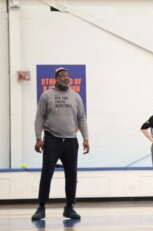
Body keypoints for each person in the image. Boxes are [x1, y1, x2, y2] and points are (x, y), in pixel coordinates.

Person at [31, 67, 90, 221]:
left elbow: (82, 119)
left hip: (71, 141)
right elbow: (39, 118)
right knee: (47, 174)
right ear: (55, 79)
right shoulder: (46, 96)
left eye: (67, 76)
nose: (66, 78)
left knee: (72, 175)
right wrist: (38, 138)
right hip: (52, 140)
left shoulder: (76, 97)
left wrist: (86, 138)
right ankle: (41, 207)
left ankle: (69, 207)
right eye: (62, 76)